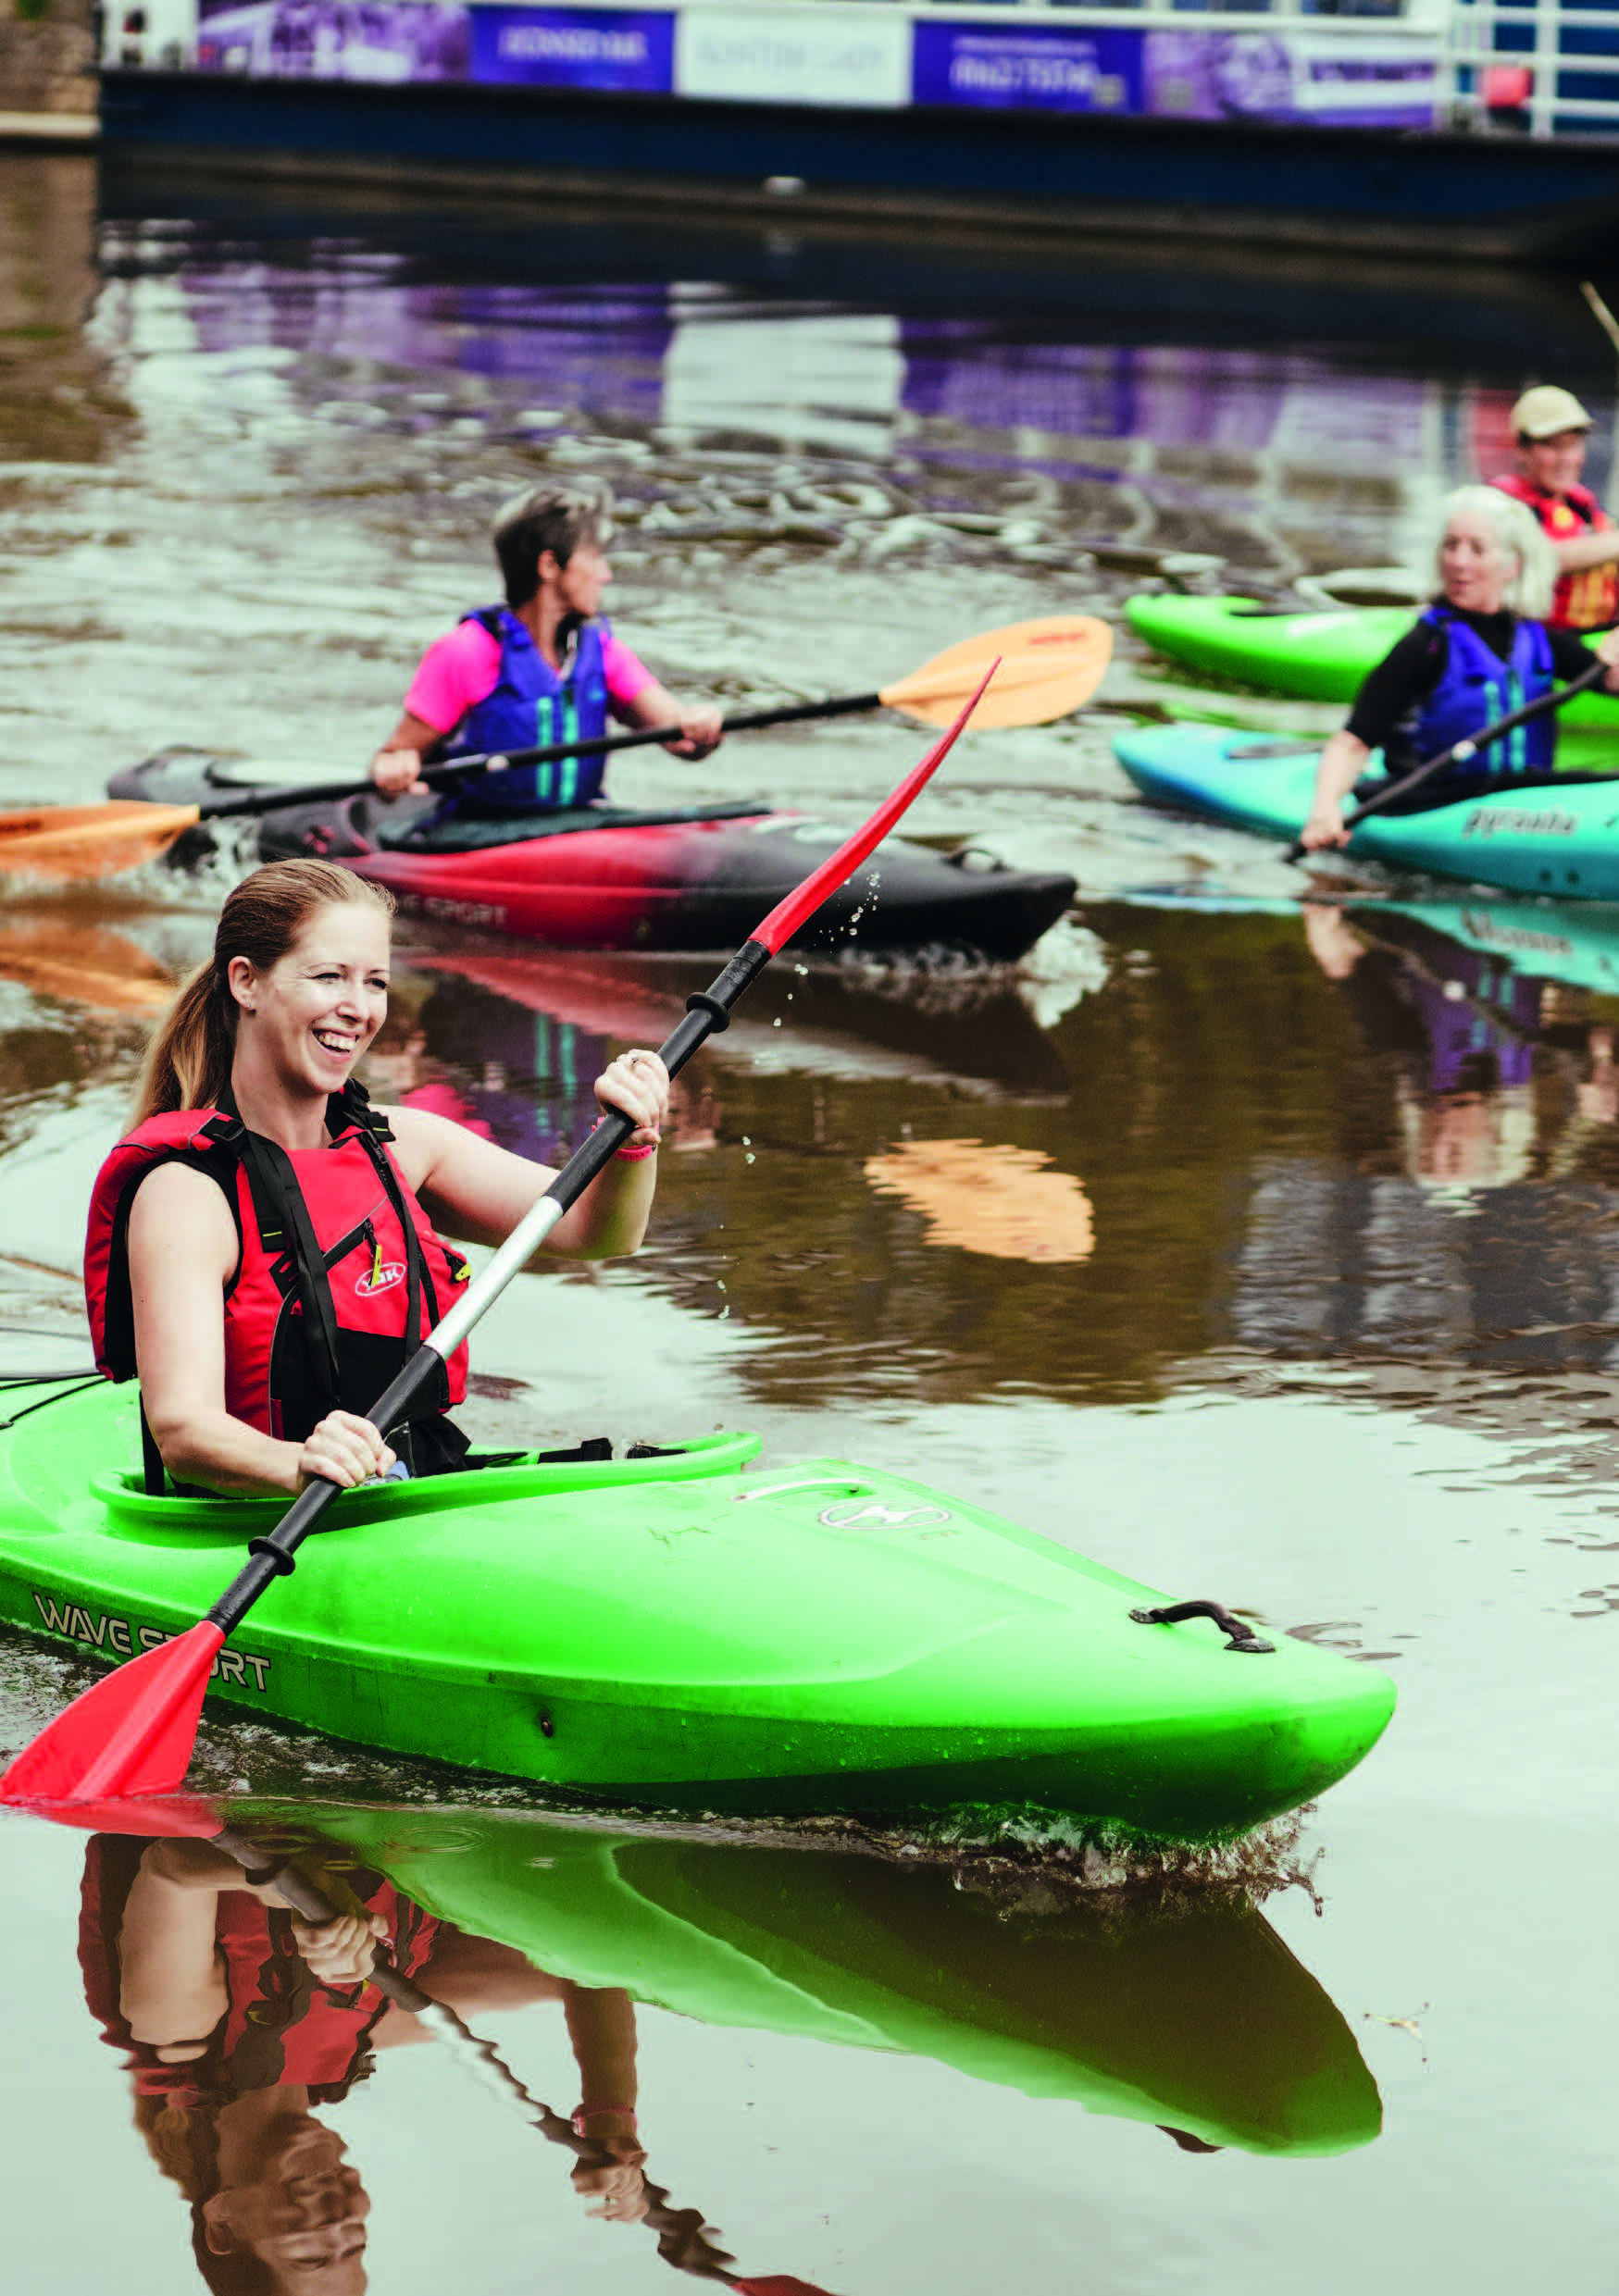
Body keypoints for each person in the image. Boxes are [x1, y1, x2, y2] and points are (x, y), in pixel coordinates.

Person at [84, 856, 670, 1497]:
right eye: (329, 976)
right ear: (246, 982)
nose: (358, 1008)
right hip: (265, 1522)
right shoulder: (187, 1193)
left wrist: (630, 1143)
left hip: (412, 1495)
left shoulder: (404, 1145)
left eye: (376, 983)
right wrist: (299, 1465)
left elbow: (595, 1231)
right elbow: (185, 1431)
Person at [369, 480, 723, 813]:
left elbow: (681, 738)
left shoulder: (600, 651)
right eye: (595, 557)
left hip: (574, 826)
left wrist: (700, 726)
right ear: (550, 565)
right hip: (479, 834)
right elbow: (393, 756)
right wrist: (394, 767)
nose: (606, 574)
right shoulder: (467, 652)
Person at [1300, 486, 1619, 853]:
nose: (1459, 561)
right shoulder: (1425, 645)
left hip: (1526, 799)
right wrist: (1324, 809)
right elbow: (1353, 743)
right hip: (1435, 803)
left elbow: (1612, 680)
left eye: (1476, 549)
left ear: (1512, 564)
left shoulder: (1539, 637)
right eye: (1451, 546)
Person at [1490, 384, 1619, 633]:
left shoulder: (1584, 509)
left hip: (1598, 637)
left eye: (1573, 445)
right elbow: (1539, 557)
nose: (1566, 460)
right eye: (1553, 447)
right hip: (1538, 641)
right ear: (1520, 446)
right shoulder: (1499, 506)